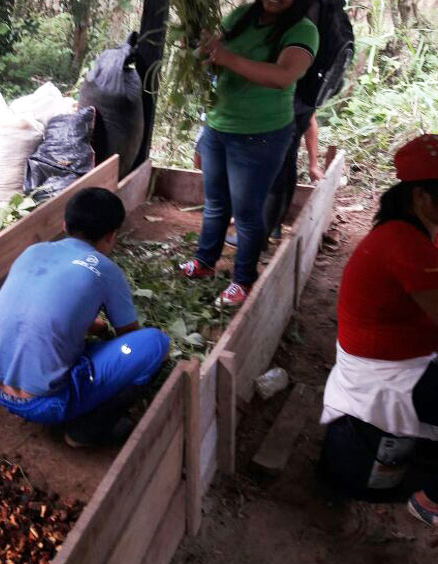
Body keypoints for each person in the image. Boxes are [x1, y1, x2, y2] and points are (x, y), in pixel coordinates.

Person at [0, 188, 170, 447]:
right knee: (154, 344)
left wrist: (95, 325)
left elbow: (42, 309)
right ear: (111, 236)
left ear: (64, 224)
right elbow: (129, 336)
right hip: (45, 404)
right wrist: (107, 334)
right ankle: (89, 429)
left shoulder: (32, 252)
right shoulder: (105, 270)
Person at [320, 134, 438, 526]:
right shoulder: (405, 245)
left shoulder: (414, 230)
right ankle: (431, 500)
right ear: (422, 198)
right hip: (388, 371)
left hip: (405, 352)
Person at [179, 0, 319, 307]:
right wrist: (200, 52)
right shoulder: (242, 15)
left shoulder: (303, 30)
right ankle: (204, 261)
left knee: (246, 213)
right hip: (219, 125)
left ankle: (242, 280)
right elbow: (214, 55)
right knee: (215, 202)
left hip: (260, 134)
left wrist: (226, 57)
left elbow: (283, 75)